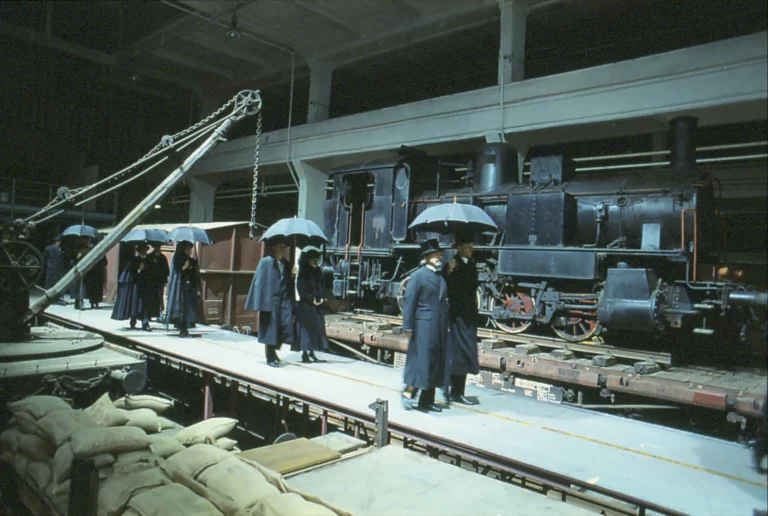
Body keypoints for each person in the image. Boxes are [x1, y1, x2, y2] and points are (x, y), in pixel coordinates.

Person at [401, 238, 450, 413]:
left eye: (440, 254)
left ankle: (427, 401)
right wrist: (407, 327)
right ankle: (407, 394)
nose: (439, 257)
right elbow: (409, 303)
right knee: (421, 362)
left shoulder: (440, 277)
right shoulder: (418, 276)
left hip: (438, 326)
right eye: (435, 255)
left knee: (434, 363)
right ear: (426, 257)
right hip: (423, 326)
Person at [443, 230, 480, 405]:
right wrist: (448, 272)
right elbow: (449, 288)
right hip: (457, 316)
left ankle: (458, 391)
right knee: (456, 353)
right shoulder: (452, 265)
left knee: (466, 353)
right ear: (459, 248)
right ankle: (450, 390)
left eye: (471, 247)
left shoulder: (472, 264)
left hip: (469, 316)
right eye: (467, 247)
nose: (470, 249)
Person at [245, 238, 294, 368]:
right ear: (274, 247)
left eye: (284, 246)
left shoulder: (286, 264)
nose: (283, 249)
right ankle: (270, 356)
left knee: (284, 326)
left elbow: (287, 283)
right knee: (271, 329)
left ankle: (274, 351)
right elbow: (259, 282)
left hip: (283, 300)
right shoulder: (266, 262)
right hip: (270, 301)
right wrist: (259, 302)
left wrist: (293, 275)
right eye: (280, 246)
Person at [292, 246, 328, 363]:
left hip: (316, 305)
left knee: (315, 331)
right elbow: (301, 289)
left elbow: (322, 286)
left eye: (316, 260)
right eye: (313, 260)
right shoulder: (303, 273)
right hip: (306, 305)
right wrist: (312, 299)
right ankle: (304, 354)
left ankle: (312, 352)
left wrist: (321, 298)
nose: (315, 262)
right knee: (306, 332)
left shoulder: (317, 272)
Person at [111, 242, 152, 330]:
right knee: (135, 304)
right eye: (142, 250)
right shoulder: (134, 260)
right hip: (135, 286)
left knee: (144, 304)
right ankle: (133, 321)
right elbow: (130, 273)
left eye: (145, 250)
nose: (144, 252)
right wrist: (139, 270)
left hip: (145, 285)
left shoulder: (149, 260)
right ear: (139, 251)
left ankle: (145, 323)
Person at [165, 241, 200, 338]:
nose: (189, 252)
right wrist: (184, 267)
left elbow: (195, 274)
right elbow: (177, 273)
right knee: (180, 307)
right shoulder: (177, 259)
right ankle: (181, 327)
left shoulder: (191, 260)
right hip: (179, 288)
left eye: (190, 249)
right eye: (187, 249)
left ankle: (186, 326)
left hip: (188, 288)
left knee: (187, 308)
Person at [146, 243, 170, 321]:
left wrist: (165, 279)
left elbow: (166, 270)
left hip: (160, 281)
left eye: (159, 247)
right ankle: (149, 314)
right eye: (156, 247)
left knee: (159, 297)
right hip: (151, 281)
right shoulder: (149, 257)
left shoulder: (163, 257)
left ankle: (160, 313)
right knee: (150, 297)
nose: (158, 248)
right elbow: (147, 269)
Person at [83, 244, 108, 309]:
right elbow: (105, 264)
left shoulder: (93, 254)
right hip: (96, 274)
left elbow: (105, 264)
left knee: (94, 289)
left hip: (95, 274)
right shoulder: (100, 254)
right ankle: (95, 303)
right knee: (96, 289)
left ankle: (93, 303)